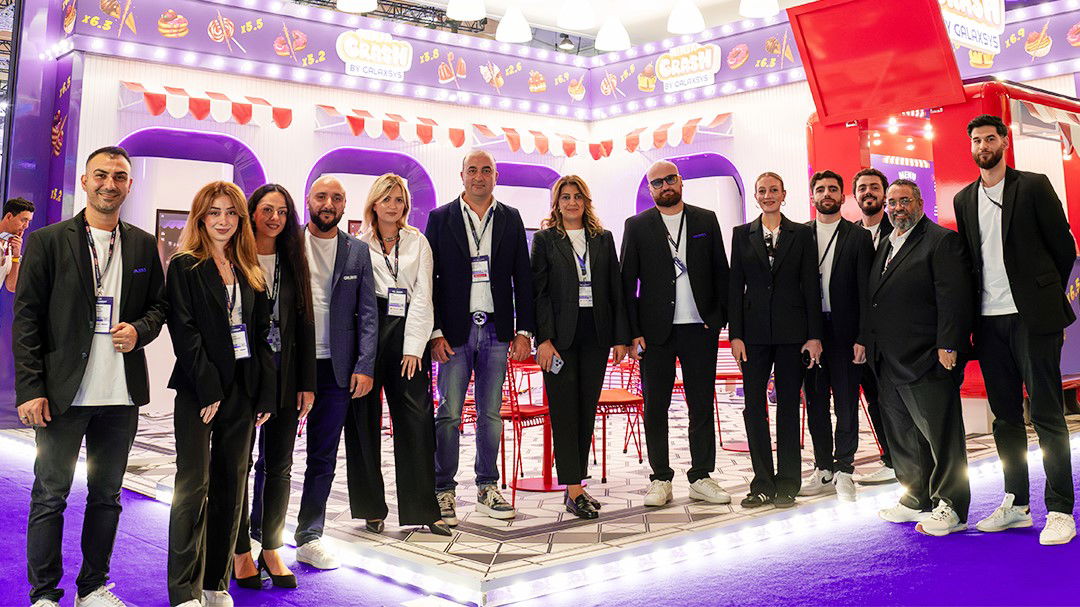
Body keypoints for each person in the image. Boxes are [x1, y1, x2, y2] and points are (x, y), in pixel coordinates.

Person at [14, 146, 167, 607]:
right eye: (101, 175)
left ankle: (93, 587)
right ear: (85, 181)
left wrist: (139, 330)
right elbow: (26, 319)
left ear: (129, 185)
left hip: (120, 396)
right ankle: (44, 594)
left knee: (107, 497)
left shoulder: (142, 244)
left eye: (119, 177)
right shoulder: (48, 241)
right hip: (63, 394)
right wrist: (31, 388)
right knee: (50, 495)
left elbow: (159, 308)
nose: (109, 184)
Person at [954, 114, 1077, 546]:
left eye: (990, 138)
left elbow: (1063, 247)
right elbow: (971, 259)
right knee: (1005, 417)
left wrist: (1040, 293)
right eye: (976, 140)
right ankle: (1017, 504)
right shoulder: (964, 199)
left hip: (1032, 318)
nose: (983, 146)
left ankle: (1060, 509)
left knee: (1046, 414)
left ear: (1004, 141)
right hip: (988, 322)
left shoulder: (1034, 185)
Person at [166, 181, 275, 607]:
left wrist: (264, 393)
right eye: (214, 212)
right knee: (193, 486)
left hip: (243, 391)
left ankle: (215, 584)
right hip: (199, 390)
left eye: (231, 212)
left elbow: (261, 336)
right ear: (201, 217)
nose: (223, 220)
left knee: (232, 487)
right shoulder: (184, 265)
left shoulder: (249, 267)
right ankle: (184, 590)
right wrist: (208, 385)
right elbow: (184, 330)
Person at [426, 150, 535, 525]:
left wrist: (524, 331)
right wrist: (435, 332)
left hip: (496, 330)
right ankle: (443, 490)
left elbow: (523, 277)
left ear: (495, 176)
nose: (479, 176)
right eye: (472, 170)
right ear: (462, 175)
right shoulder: (440, 218)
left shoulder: (511, 218)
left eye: (486, 170)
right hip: (453, 334)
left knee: (490, 414)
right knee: (449, 413)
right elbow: (429, 280)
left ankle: (488, 487)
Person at [344, 174, 450, 536]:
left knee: (416, 422)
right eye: (386, 199)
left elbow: (423, 294)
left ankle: (424, 509)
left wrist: (413, 346)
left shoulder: (418, 242)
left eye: (399, 199)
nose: (393, 205)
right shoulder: (358, 244)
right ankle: (370, 508)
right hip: (368, 333)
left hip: (408, 332)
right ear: (374, 203)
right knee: (362, 421)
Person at [621, 160, 731, 507]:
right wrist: (633, 332)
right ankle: (660, 478)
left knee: (701, 404)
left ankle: (701, 476)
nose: (665, 186)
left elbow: (721, 271)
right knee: (656, 407)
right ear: (650, 189)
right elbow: (627, 283)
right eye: (657, 182)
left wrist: (719, 318)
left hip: (700, 328)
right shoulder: (637, 226)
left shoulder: (705, 220)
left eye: (670, 179)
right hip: (655, 333)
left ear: (680, 182)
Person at [870, 179, 973, 537]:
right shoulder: (887, 242)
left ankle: (952, 506)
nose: (897, 208)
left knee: (942, 436)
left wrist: (948, 343)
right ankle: (916, 497)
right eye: (892, 202)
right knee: (904, 434)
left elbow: (953, 297)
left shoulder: (941, 241)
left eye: (905, 201)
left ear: (920, 203)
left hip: (928, 356)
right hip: (889, 359)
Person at [232, 184, 316, 589]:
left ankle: (270, 546)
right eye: (267, 210)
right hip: (245, 373)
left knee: (280, 464)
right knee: (239, 463)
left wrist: (307, 382)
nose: (275, 218)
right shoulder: (235, 255)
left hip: (285, 374)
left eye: (282, 212)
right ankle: (238, 549)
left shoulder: (292, 259)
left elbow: (306, 323)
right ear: (252, 212)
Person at [532, 175, 630, 519]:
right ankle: (573, 490)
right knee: (564, 413)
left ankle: (576, 485)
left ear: (586, 202)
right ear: (557, 204)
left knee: (586, 410)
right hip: (560, 339)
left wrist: (620, 337)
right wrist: (543, 340)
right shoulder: (545, 240)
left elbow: (616, 289)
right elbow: (539, 293)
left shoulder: (603, 238)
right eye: (565, 197)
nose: (571, 202)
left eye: (577, 197)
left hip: (596, 334)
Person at [293, 175, 378, 569]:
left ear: (345, 206)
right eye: (321, 196)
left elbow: (368, 313)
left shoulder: (357, 251)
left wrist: (364, 365)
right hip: (291, 364)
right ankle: (259, 533)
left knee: (323, 456)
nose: (328, 204)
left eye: (337, 198)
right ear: (308, 200)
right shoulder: (287, 242)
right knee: (273, 457)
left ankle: (310, 535)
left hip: (337, 370)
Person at [728, 172, 822, 509]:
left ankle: (787, 483)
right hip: (752, 336)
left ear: (784, 194)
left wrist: (814, 335)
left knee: (788, 406)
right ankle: (762, 483)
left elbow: (811, 286)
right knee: (753, 407)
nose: (768, 195)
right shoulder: (741, 234)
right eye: (762, 191)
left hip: (792, 333)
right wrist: (735, 335)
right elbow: (734, 287)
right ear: (756, 196)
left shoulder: (802, 234)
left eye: (774, 190)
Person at [799, 170, 873, 502]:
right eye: (820, 189)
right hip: (810, 334)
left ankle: (844, 468)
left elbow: (866, 291)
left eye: (832, 189)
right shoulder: (800, 235)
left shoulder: (858, 237)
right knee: (815, 402)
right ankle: (823, 468)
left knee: (846, 402)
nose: (826, 193)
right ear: (812, 196)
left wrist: (863, 336)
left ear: (842, 197)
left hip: (846, 333)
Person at [851, 167, 897, 486]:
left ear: (884, 193)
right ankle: (891, 460)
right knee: (875, 400)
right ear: (855, 195)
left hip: (895, 335)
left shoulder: (899, 231)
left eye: (874, 187)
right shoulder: (850, 235)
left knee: (897, 400)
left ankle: (909, 459)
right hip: (862, 336)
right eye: (862, 187)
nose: (868, 192)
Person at [1, 197, 34, 292]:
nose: (26, 226)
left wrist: (16, 257)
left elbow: (12, 287)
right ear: (9, 216)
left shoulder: (10, 245)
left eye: (28, 221)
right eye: (24, 220)